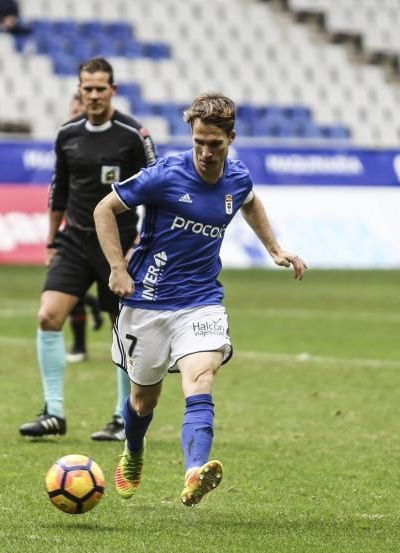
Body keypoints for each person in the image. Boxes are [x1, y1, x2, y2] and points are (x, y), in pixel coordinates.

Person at [93, 92, 307, 506]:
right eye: (199, 143)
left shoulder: (238, 177)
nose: (206, 152)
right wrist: (117, 268)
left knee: (201, 379)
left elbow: (249, 201)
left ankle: (194, 471)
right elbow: (104, 209)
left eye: (215, 144)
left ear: (231, 138)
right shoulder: (164, 175)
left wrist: (274, 248)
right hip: (148, 301)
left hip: (201, 299)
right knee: (143, 399)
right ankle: (133, 452)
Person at [19, 57, 157, 442]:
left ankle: (121, 417)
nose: (93, 95)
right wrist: (50, 240)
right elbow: (57, 191)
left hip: (120, 247)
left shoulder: (134, 135)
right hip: (75, 241)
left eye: (100, 88)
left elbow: (156, 193)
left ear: (112, 90)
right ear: (79, 90)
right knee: (48, 316)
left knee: (121, 332)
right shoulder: (67, 134)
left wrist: (140, 246)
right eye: (87, 88)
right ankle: (53, 413)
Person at [63, 90, 102, 364]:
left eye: (80, 109)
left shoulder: (102, 144)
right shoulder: (67, 141)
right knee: (65, 290)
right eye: (73, 109)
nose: (76, 113)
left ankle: (94, 304)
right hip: (73, 227)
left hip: (102, 228)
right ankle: (78, 345)